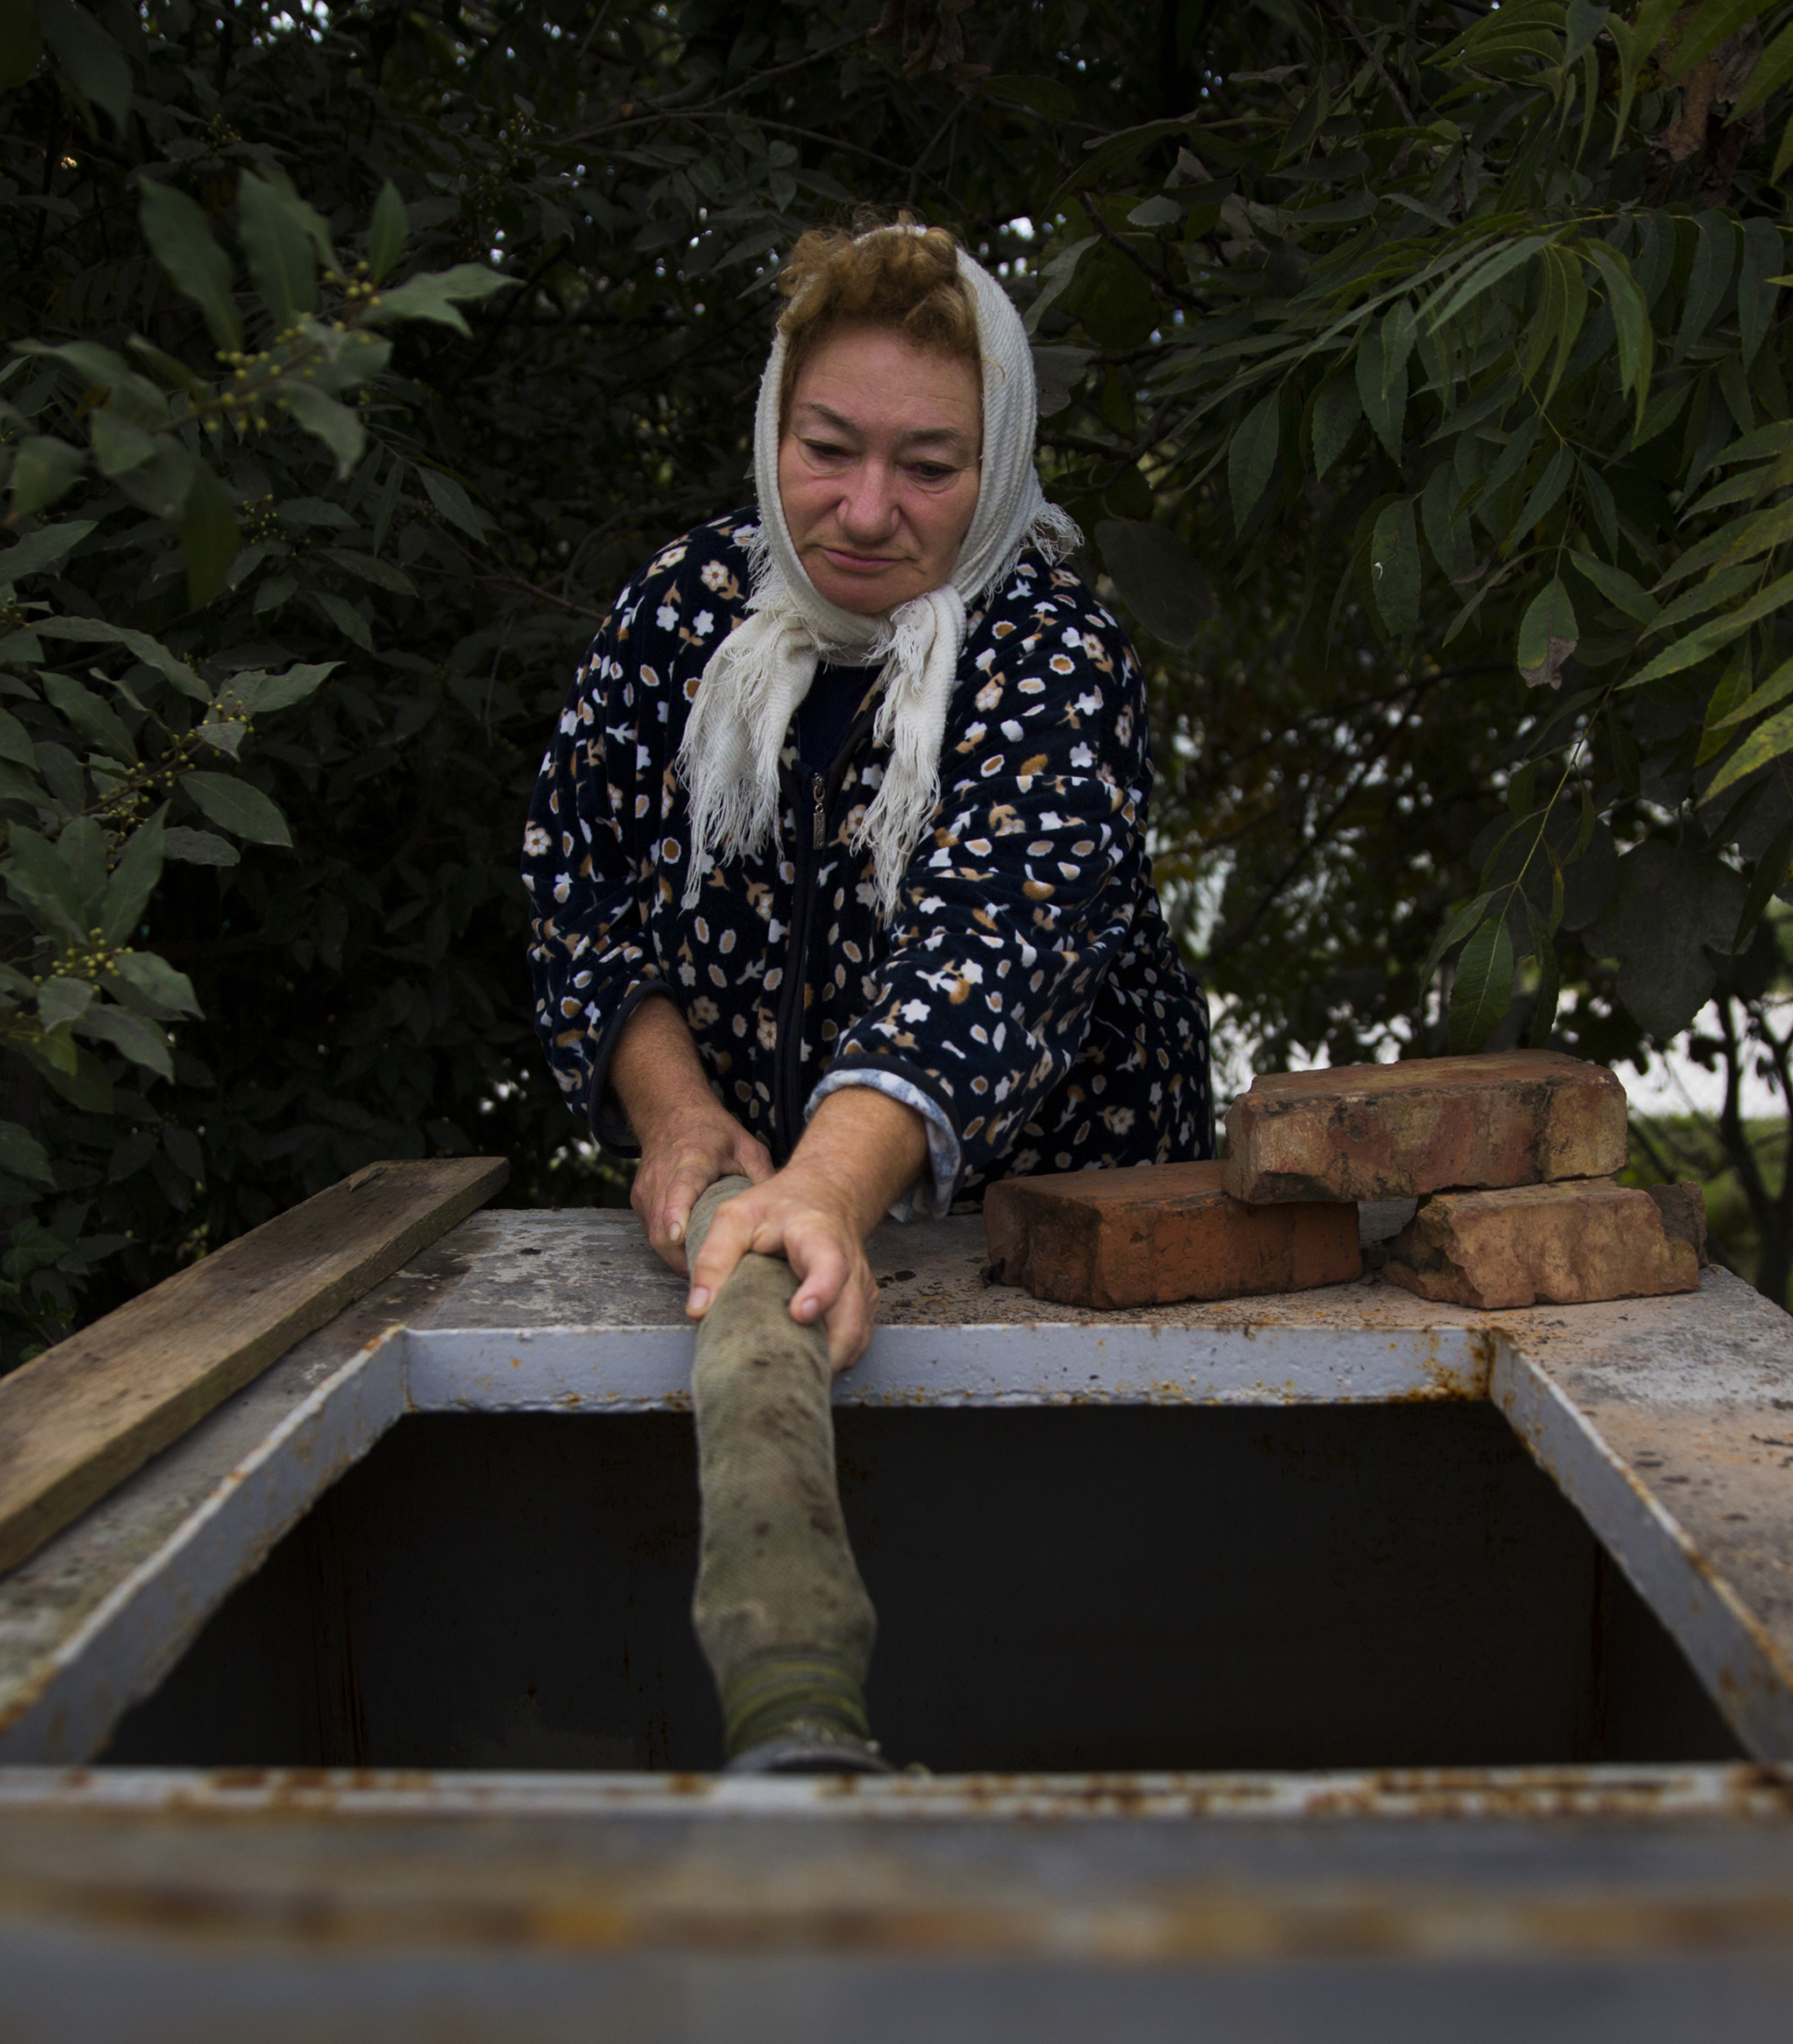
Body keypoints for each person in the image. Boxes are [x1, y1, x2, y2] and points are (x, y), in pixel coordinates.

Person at [521, 215, 1213, 1770]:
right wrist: (681, 1121)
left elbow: (999, 938)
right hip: (775, 1228)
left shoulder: (1051, 644)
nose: (866, 510)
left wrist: (829, 1183)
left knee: (1059, 1651)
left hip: (1047, 1242)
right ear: (774, 425)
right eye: (828, 447)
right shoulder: (682, 614)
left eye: (930, 465)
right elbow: (581, 892)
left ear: (1003, 459)